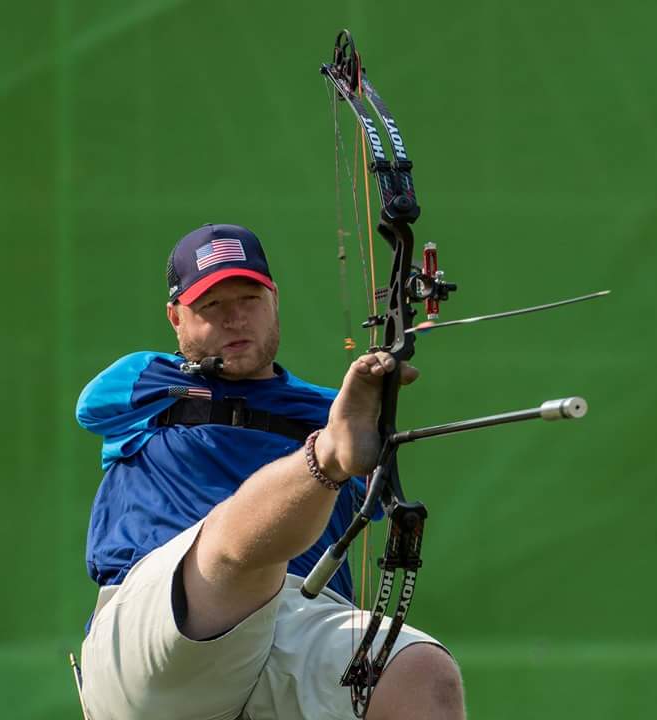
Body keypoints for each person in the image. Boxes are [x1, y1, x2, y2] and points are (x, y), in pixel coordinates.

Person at [76, 223, 465, 720]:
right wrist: (325, 444)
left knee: (423, 675)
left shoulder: (334, 409)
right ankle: (323, 459)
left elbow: (372, 498)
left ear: (274, 300)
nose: (235, 318)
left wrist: (360, 410)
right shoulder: (147, 383)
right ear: (176, 317)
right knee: (231, 549)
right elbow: (91, 407)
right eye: (211, 305)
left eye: (249, 299)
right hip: (159, 622)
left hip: (298, 615)